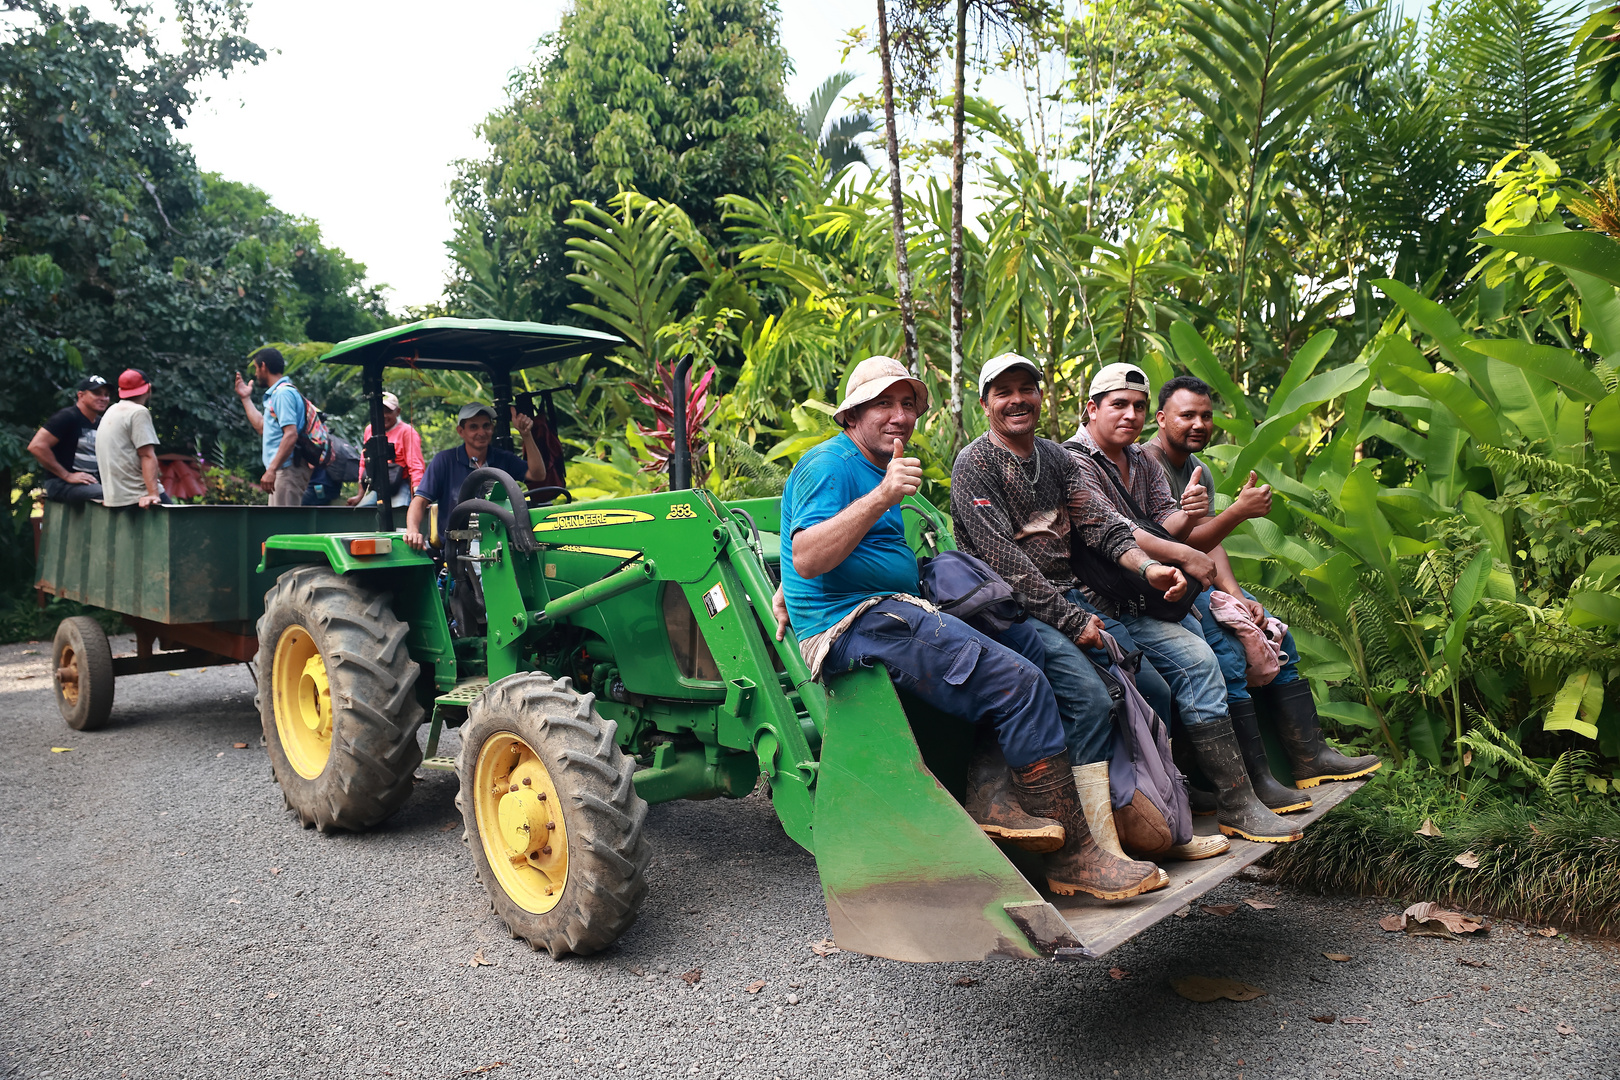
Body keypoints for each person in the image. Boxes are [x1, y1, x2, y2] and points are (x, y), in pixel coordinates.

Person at [772, 355, 1163, 901]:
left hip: (893, 605)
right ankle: (1075, 859)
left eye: (908, 404)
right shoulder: (829, 465)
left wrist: (791, 582)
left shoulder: (874, 462)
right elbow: (809, 555)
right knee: (1019, 682)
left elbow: (822, 554)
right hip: (854, 623)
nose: (899, 415)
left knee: (1022, 640)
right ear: (852, 414)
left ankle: (991, 791)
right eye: (884, 403)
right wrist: (882, 497)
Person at [952, 354, 1228, 863]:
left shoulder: (1054, 458)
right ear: (986, 402)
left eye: (1027, 389)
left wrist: (1149, 569)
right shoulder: (976, 464)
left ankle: (1159, 818)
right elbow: (1008, 566)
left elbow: (1103, 525)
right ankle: (1093, 850)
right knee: (1091, 700)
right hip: (1011, 608)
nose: (1018, 400)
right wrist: (1074, 621)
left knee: (1153, 689)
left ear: (1041, 396)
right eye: (1004, 392)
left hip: (1067, 597)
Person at [1066, 362, 1301, 843]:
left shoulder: (1144, 462)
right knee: (1197, 665)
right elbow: (1121, 536)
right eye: (1118, 405)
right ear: (1091, 409)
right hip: (1105, 601)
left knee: (1218, 658)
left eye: (1137, 405)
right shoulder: (1073, 463)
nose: (1129, 415)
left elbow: (1165, 526)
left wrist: (1188, 525)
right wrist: (1191, 546)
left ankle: (1235, 791)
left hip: (1152, 598)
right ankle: (1235, 800)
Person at [1144, 374, 1380, 792]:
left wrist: (1236, 594)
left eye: (1206, 415)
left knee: (1274, 633)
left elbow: (1211, 543)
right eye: (1187, 416)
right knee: (1231, 657)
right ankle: (1256, 779)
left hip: (1201, 579)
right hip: (1166, 586)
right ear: (1162, 419)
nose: (1198, 424)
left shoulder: (1197, 469)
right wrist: (1238, 512)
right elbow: (1173, 542)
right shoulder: (1148, 466)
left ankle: (1311, 757)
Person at [404, 403, 547, 551]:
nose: (482, 432)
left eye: (486, 426)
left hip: (501, 541)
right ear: (461, 431)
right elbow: (419, 501)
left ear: (492, 428)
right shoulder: (445, 460)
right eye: (474, 427)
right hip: (458, 546)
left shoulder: (503, 458)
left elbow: (538, 474)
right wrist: (413, 530)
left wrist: (526, 435)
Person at [234, 346, 312, 506]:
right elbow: (263, 427)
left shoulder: (283, 394)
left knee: (285, 527)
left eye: (256, 368)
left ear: (263, 366)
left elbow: (291, 434)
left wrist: (271, 470)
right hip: (282, 470)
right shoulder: (278, 394)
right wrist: (245, 399)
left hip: (287, 469)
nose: (256, 374)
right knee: (279, 525)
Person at [29, 375, 110, 503]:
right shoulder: (67, 417)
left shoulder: (102, 423)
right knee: (109, 496)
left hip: (90, 483)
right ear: (81, 395)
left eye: (106, 395)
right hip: (61, 484)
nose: (103, 398)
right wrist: (67, 475)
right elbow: (37, 446)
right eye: (96, 393)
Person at [98, 369, 165, 509]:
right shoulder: (138, 412)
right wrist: (153, 494)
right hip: (137, 495)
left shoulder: (111, 410)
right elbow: (146, 455)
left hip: (115, 497)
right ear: (149, 389)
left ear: (120, 390)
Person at [350, 391, 424, 507]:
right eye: (380, 410)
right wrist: (360, 494)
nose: (383, 415)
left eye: (388, 411)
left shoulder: (407, 432)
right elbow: (364, 461)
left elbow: (415, 465)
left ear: (397, 412)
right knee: (361, 512)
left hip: (400, 484)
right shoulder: (370, 430)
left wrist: (418, 495)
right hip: (378, 485)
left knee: (398, 512)